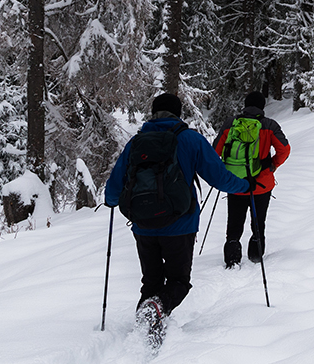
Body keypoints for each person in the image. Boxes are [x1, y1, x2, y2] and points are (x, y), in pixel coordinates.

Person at [105, 92, 254, 336]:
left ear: (154, 113)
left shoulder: (136, 142)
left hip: (143, 225)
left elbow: (114, 186)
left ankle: (145, 326)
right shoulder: (189, 139)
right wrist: (245, 186)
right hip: (180, 224)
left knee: (151, 282)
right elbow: (219, 177)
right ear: (178, 113)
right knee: (178, 282)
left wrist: (110, 201)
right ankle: (156, 309)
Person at [213, 91, 290, 269]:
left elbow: (215, 150)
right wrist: (271, 166)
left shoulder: (230, 124)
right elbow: (284, 149)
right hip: (261, 184)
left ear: (245, 105)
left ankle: (232, 257)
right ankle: (256, 253)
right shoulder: (270, 125)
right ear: (262, 106)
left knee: (234, 219)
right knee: (258, 219)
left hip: (235, 182)